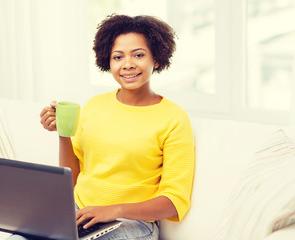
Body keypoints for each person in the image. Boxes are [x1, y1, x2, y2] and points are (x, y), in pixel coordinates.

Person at [15, 14, 195, 240]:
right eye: (118, 57)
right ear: (108, 62)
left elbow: (173, 202)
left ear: (156, 59)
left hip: (132, 224)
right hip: (79, 214)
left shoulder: (174, 118)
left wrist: (114, 210)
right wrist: (63, 133)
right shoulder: (94, 106)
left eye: (138, 55)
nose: (128, 64)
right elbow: (71, 179)